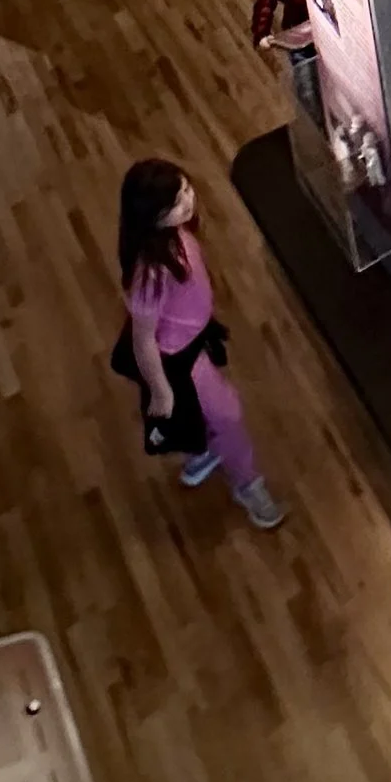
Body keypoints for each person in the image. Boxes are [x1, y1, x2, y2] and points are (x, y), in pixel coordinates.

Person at [116, 158, 286, 531]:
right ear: (152, 216)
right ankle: (248, 484)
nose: (189, 201)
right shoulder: (152, 274)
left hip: (192, 342)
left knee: (212, 416)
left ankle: (206, 450)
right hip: (181, 359)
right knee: (228, 415)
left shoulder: (175, 238)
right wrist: (161, 392)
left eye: (187, 189)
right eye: (177, 201)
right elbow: (142, 339)